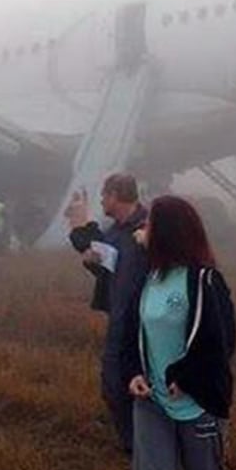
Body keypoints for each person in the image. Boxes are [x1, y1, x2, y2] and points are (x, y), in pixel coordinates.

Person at [120, 195, 236, 470]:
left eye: (151, 223)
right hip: (151, 403)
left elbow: (221, 343)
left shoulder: (205, 281)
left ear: (168, 231)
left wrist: (182, 376)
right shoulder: (149, 278)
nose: (144, 228)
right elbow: (131, 335)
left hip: (197, 403)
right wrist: (133, 372)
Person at [68, 173, 149, 453]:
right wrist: (93, 262)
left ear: (115, 194)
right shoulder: (115, 232)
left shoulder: (151, 226)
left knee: (143, 388)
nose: (102, 200)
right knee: (114, 387)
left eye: (104, 195)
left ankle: (151, 448)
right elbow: (113, 268)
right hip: (118, 319)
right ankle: (135, 448)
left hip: (146, 325)